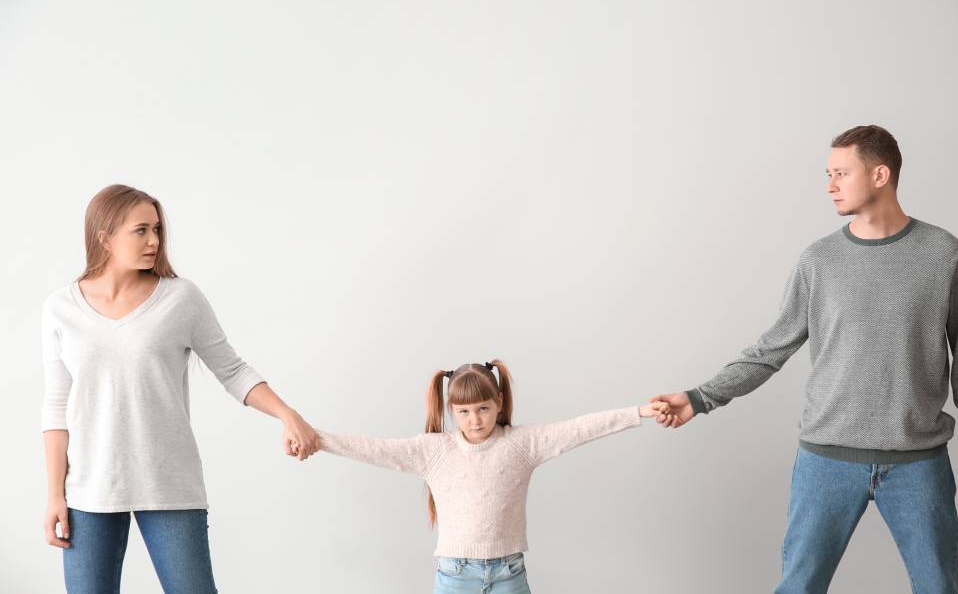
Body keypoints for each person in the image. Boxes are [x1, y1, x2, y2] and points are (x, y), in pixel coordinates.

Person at [652, 125, 958, 593]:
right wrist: (700, 398)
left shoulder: (944, 254)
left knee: (938, 587)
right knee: (799, 587)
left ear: (880, 174)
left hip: (919, 463)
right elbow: (771, 349)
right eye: (828, 173)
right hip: (826, 461)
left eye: (840, 172)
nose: (829, 184)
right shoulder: (820, 261)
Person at [40, 184, 321, 593]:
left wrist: (287, 414)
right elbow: (56, 407)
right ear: (105, 235)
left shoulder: (180, 298)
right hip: (89, 490)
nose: (154, 240)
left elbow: (234, 371)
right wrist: (54, 496)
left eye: (157, 229)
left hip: (169, 484)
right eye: (141, 230)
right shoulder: (60, 308)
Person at [313, 360, 658, 593]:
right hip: (454, 577)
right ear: (451, 410)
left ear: (499, 402)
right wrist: (316, 439)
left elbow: (579, 429)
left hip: (509, 575)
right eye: (463, 412)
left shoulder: (522, 444)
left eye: (483, 409)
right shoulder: (434, 450)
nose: (474, 420)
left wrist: (639, 412)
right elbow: (373, 448)